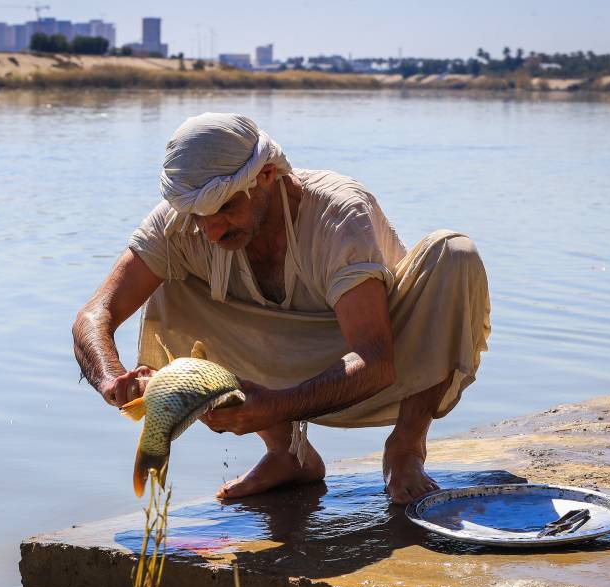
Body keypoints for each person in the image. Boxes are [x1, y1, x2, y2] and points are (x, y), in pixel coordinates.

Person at [73, 112, 490, 504]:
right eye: (198, 217)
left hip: (384, 354)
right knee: (170, 280)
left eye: (224, 209)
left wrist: (274, 404)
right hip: (280, 359)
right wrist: (113, 381)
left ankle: (406, 446)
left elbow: (375, 360)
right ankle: (288, 454)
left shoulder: (338, 213)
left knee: (454, 252)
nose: (211, 231)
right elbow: (95, 315)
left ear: (267, 175)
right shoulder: (183, 223)